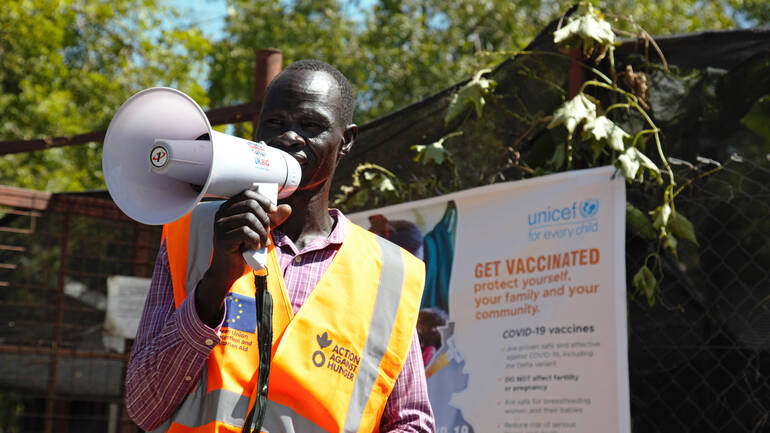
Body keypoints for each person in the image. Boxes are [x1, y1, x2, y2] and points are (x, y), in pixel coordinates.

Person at [125, 59, 435, 433]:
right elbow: (143, 406)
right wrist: (214, 285)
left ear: (346, 141)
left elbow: (411, 424)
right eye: (275, 123)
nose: (289, 137)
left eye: (311, 125)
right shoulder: (193, 233)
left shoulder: (390, 275)